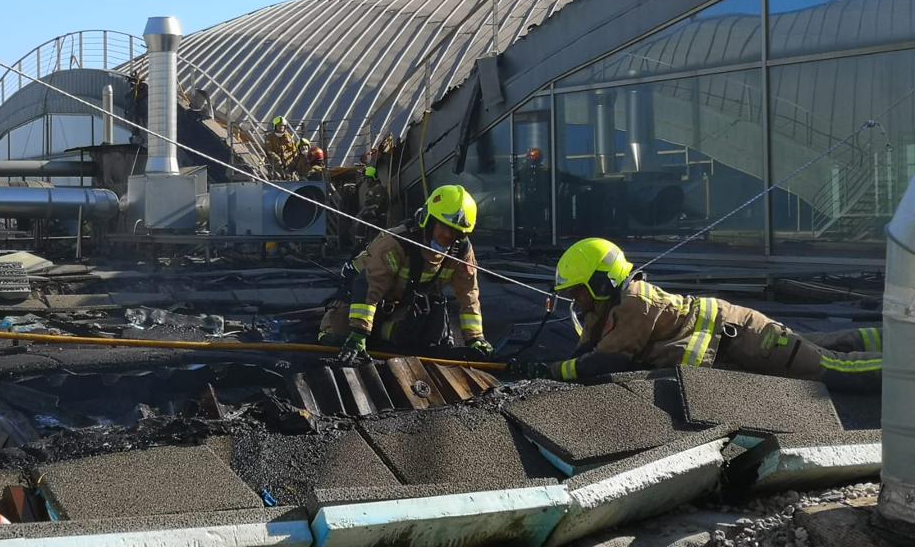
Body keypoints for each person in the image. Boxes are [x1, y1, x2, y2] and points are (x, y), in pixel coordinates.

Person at [511, 238, 881, 391]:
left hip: (745, 337)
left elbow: (606, 361)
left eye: (576, 291)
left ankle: (902, 375)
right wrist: (542, 370)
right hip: (735, 339)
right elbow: (584, 354)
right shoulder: (604, 307)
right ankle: (890, 338)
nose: (575, 301)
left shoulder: (634, 302)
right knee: (827, 345)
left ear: (600, 282)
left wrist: (549, 371)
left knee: (834, 368)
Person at [319, 184, 493, 360]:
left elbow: (468, 294)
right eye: (444, 227)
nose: (448, 236)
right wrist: (358, 333)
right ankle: (349, 328)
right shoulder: (397, 243)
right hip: (358, 298)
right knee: (338, 337)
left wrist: (475, 338)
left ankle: (380, 332)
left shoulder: (461, 251)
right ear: (428, 220)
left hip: (401, 303)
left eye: (456, 232)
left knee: (425, 337)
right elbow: (370, 285)